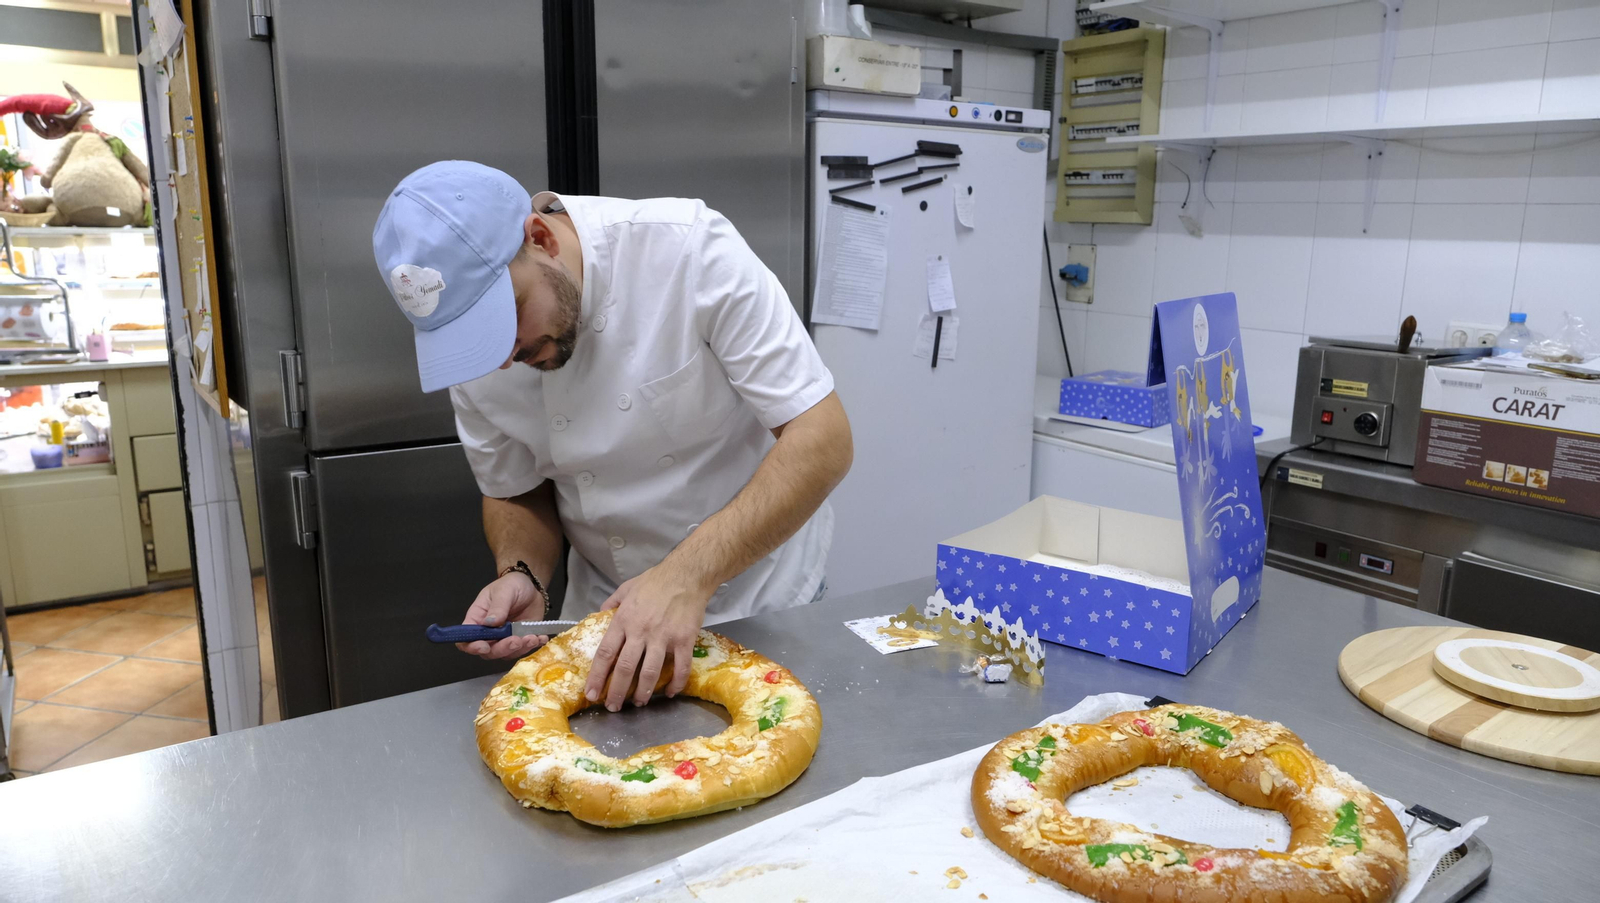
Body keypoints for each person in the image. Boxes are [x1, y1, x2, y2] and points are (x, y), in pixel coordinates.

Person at [372, 161, 851, 712]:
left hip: (762, 599)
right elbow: (513, 489)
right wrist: (522, 570)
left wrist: (684, 577)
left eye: (506, 319)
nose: (503, 358)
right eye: (475, 341)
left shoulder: (687, 251)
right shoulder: (486, 356)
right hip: (607, 619)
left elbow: (822, 439)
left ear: (542, 238)